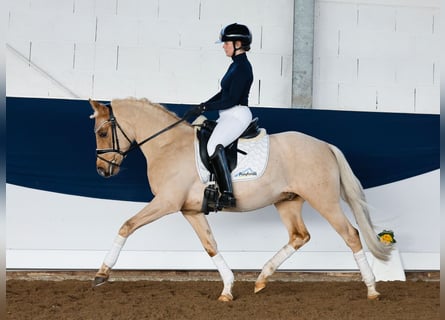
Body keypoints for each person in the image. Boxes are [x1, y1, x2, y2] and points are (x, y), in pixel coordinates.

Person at [192, 23, 254, 209]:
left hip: (237, 114)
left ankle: (227, 194)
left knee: (213, 146)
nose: (223, 46)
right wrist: (202, 106)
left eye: (226, 42)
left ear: (238, 44)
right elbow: (223, 94)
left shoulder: (243, 68)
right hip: (227, 114)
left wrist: (206, 107)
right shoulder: (234, 66)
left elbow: (231, 100)